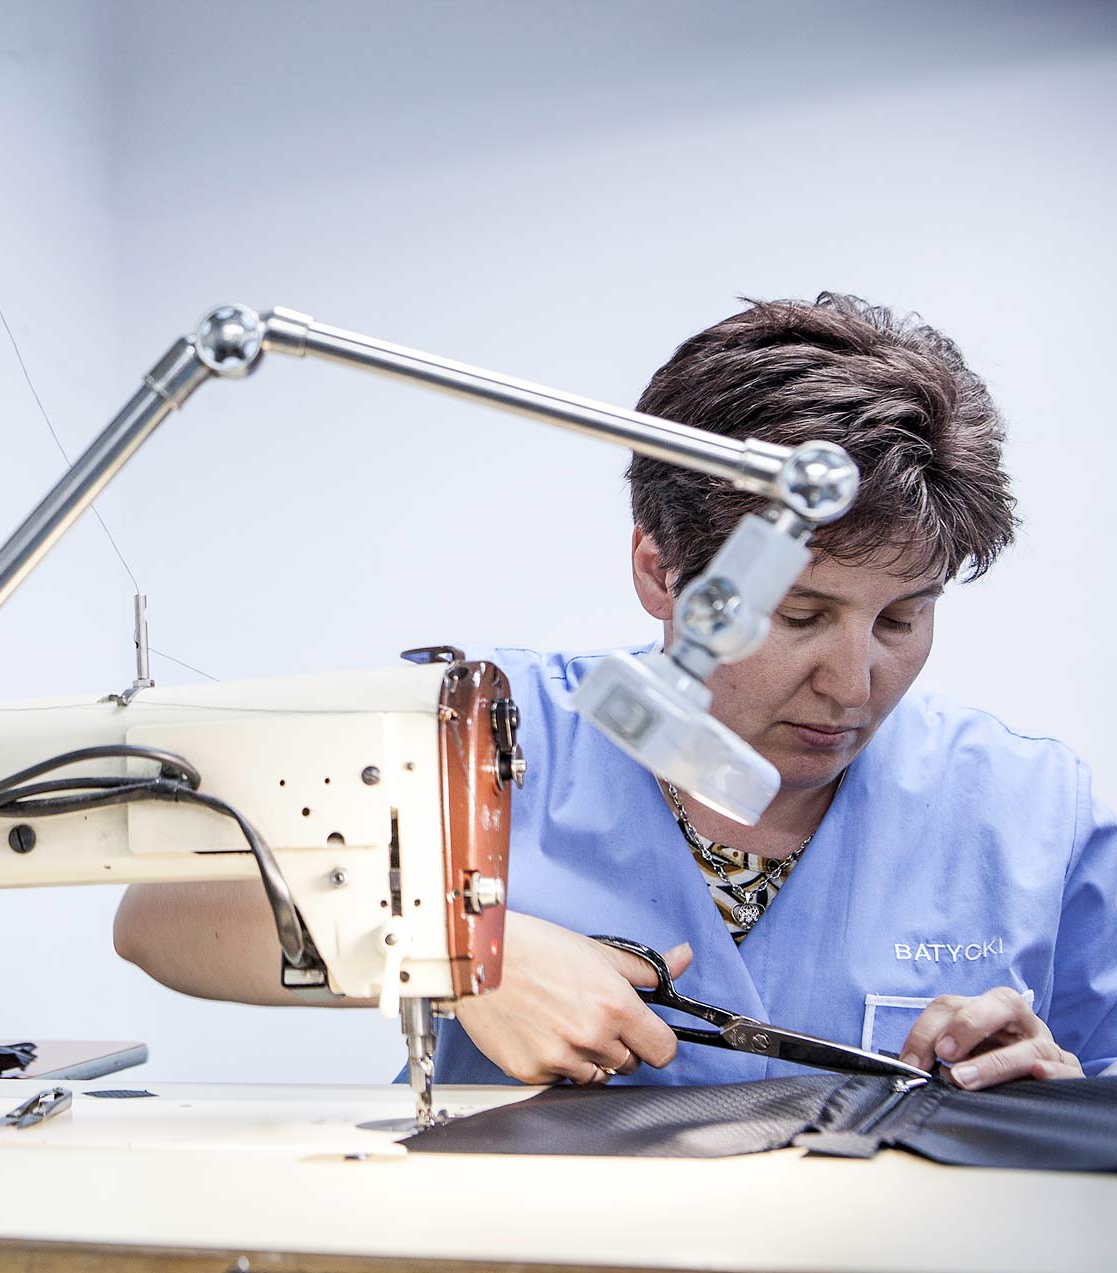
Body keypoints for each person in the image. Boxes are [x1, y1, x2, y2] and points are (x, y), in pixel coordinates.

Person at [113, 293, 1116, 1090]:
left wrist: (1060, 1091)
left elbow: (1101, 1074)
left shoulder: (1025, 807)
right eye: (798, 614)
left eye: (901, 620)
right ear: (660, 570)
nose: (853, 685)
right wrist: (462, 954)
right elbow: (163, 917)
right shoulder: (478, 729)